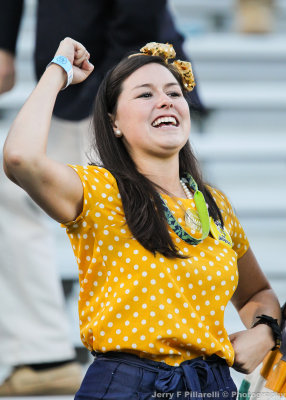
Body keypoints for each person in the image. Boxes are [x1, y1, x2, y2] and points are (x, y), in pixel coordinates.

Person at [3, 36, 282, 399]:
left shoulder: (215, 204)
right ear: (114, 122)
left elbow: (257, 292)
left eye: (173, 92)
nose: (165, 100)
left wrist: (264, 331)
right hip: (127, 386)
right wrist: (57, 72)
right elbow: (20, 158)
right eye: (145, 94)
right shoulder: (99, 189)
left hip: (212, 387)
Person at [0, 1, 205, 395]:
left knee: (140, 211)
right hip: (87, 73)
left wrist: (123, 88)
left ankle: (154, 355)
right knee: (13, 192)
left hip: (108, 72)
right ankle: (43, 353)